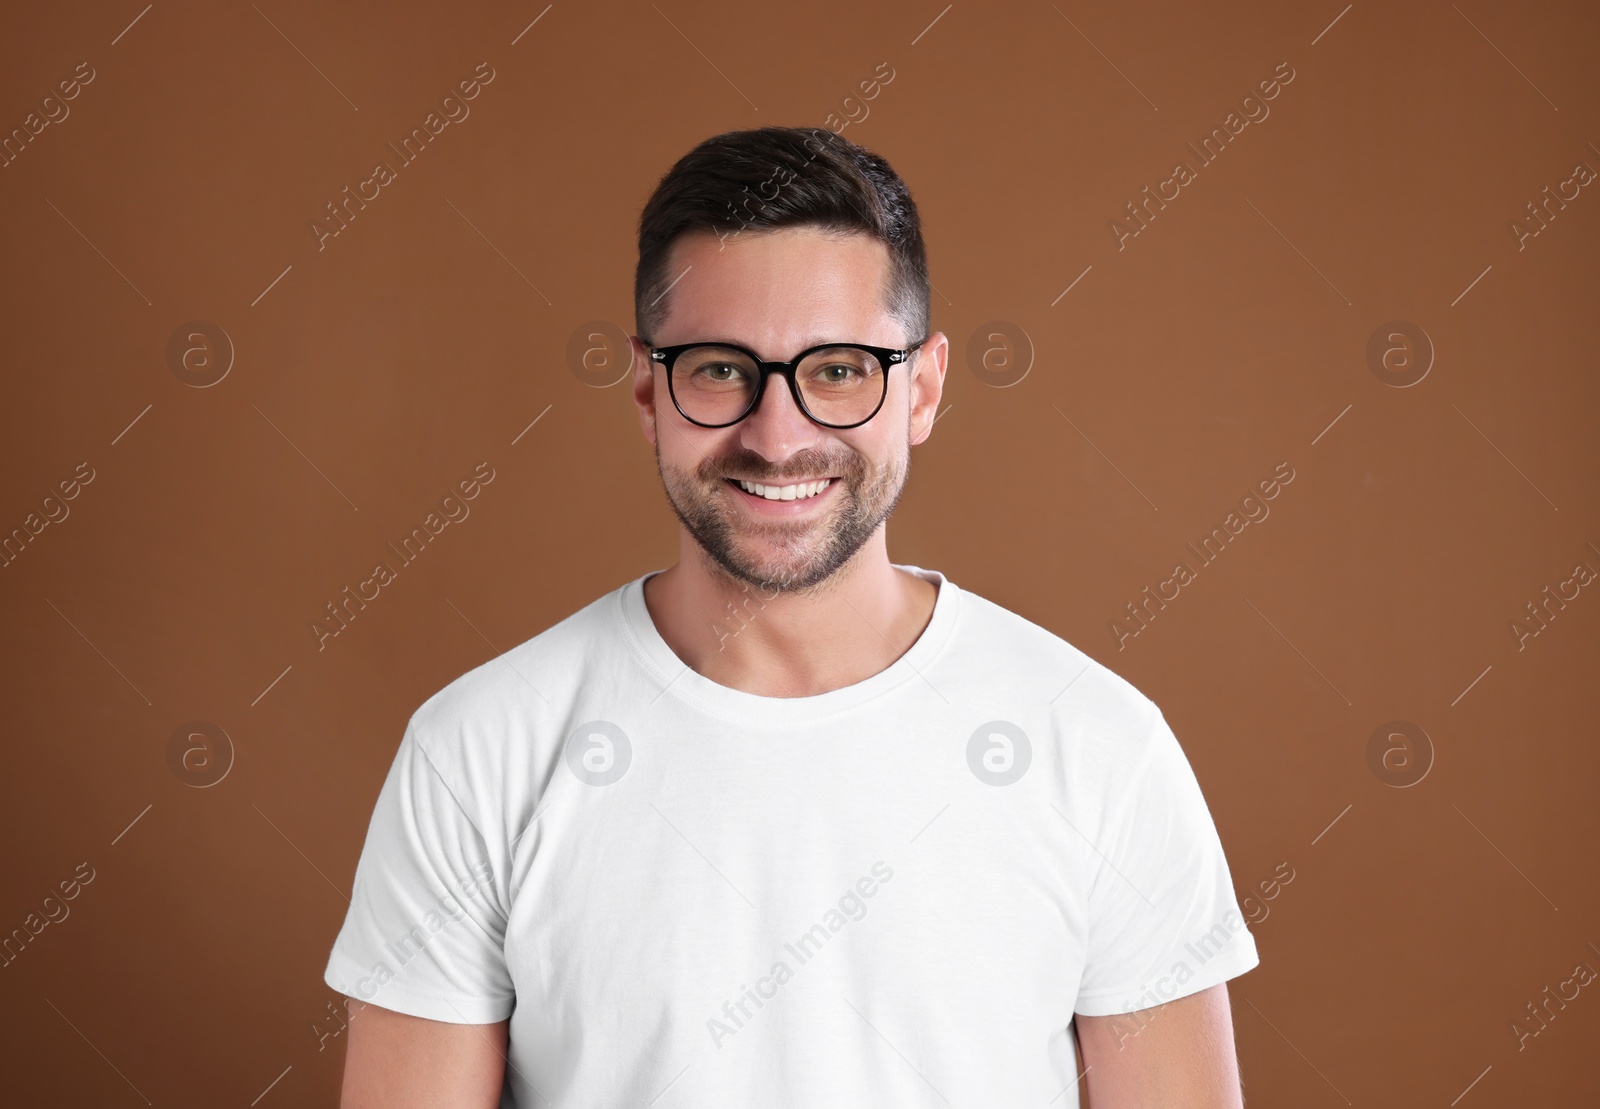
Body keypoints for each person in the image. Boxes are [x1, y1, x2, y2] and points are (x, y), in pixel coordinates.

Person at [323, 125, 1259, 1108]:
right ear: (648, 388)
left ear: (923, 388)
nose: (778, 436)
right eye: (722, 369)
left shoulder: (1099, 747)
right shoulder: (478, 752)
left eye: (840, 369)